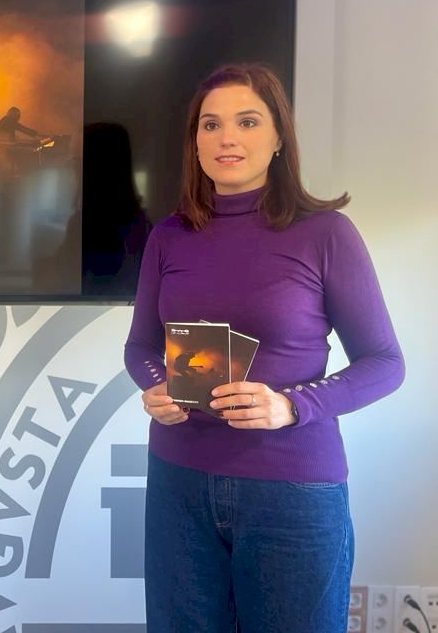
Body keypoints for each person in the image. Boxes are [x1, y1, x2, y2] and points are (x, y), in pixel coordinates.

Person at [123, 64, 403, 632]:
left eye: (247, 122)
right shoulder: (169, 235)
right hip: (179, 481)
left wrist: (293, 405)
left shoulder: (325, 233)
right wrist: (156, 385)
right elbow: (140, 346)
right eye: (210, 124)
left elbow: (385, 363)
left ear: (279, 138)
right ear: (195, 142)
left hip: (292, 490)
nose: (226, 137)